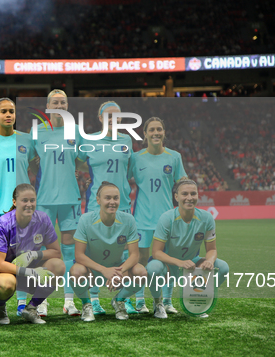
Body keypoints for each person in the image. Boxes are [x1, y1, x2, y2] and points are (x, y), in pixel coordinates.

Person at [0, 98, 37, 318]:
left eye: (11, 111)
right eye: (3, 111)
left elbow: (35, 167)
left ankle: (22, 303)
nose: (8, 115)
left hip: (24, 210)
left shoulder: (26, 140)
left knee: (25, 256)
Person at [77, 101, 133, 316]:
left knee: (125, 251)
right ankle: (93, 299)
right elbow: (80, 162)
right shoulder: (89, 140)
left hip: (123, 203)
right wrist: (84, 172)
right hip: (95, 204)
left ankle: (123, 299)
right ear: (100, 118)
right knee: (93, 252)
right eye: (108, 115)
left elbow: (128, 168)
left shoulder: (126, 140)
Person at [32, 89, 84, 317]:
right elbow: (30, 163)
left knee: (70, 251)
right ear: (47, 107)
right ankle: (41, 301)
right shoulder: (37, 132)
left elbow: (82, 162)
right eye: (56, 103)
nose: (60, 106)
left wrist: (85, 173)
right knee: (44, 252)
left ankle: (69, 301)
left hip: (70, 199)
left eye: (63, 102)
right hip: (44, 199)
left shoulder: (77, 132)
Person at [0, 184, 65, 324]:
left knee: (58, 266)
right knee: (7, 284)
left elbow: (56, 252)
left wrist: (33, 255)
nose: (29, 204)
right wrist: (31, 272)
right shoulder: (3, 223)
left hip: (27, 270)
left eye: (32, 200)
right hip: (0, 271)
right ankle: (1, 307)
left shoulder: (43, 219)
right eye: (24, 200)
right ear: (14, 202)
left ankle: (31, 308)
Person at [145, 179, 230, 318]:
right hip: (168, 265)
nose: (189, 198)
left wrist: (209, 260)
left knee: (223, 267)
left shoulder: (207, 218)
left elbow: (212, 250)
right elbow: (156, 252)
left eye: (193, 194)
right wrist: (179, 263)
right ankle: (158, 303)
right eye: (185, 194)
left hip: (191, 263)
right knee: (153, 268)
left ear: (198, 195)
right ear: (176, 197)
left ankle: (198, 300)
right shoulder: (166, 218)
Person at [129, 117, 187, 314]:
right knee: (141, 261)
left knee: (169, 261)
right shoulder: (136, 157)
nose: (156, 133)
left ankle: (167, 301)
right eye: (151, 130)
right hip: (142, 219)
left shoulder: (174, 157)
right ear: (144, 134)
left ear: (164, 133)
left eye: (159, 129)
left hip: (167, 220)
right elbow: (120, 177)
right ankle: (139, 300)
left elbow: (182, 184)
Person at [71, 182, 146, 321]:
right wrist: (104, 270)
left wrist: (120, 271)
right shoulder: (86, 219)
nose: (112, 202)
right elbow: (79, 255)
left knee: (141, 272)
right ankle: (87, 305)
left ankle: (119, 300)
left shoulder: (128, 220)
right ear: (98, 200)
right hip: (92, 270)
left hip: (118, 268)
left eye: (116, 198)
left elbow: (135, 255)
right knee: (75, 272)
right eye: (108, 198)